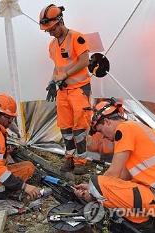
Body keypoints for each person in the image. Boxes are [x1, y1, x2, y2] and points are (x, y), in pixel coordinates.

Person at [74, 98, 155, 232]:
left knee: (98, 183)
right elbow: (122, 177)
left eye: (100, 131)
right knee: (115, 194)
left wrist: (92, 191)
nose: (103, 137)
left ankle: (148, 225)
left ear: (107, 122)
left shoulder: (124, 129)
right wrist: (94, 189)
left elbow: (113, 174)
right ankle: (147, 227)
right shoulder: (135, 129)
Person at [40, 4, 92, 175]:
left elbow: (84, 61)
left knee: (79, 127)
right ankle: (69, 158)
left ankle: (81, 161)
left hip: (79, 90)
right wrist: (52, 82)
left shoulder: (77, 37)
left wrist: (66, 74)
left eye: (52, 29)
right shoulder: (52, 45)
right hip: (63, 91)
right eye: (48, 30)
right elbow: (57, 67)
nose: (50, 32)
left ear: (60, 22)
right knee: (65, 127)